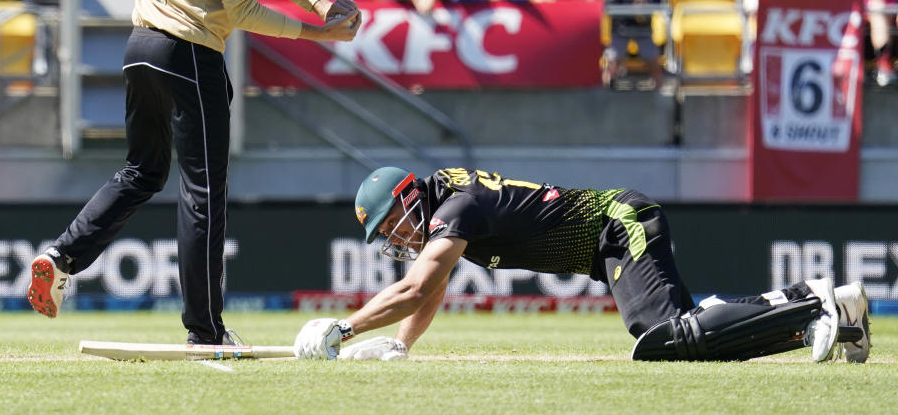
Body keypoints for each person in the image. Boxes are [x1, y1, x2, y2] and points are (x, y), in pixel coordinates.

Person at [26, 0, 362, 346]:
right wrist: (315, 32)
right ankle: (205, 330)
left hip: (141, 48)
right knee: (204, 191)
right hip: (189, 55)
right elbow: (244, 9)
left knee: (142, 171)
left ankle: (61, 255)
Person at [292, 166, 871, 363]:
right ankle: (827, 306)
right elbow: (433, 285)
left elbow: (418, 286)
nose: (394, 238)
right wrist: (401, 344)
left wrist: (341, 329)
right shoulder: (450, 205)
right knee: (674, 335)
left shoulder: (457, 205)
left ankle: (812, 307)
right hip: (610, 239)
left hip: (620, 222)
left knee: (665, 340)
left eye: (391, 223)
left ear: (409, 198)